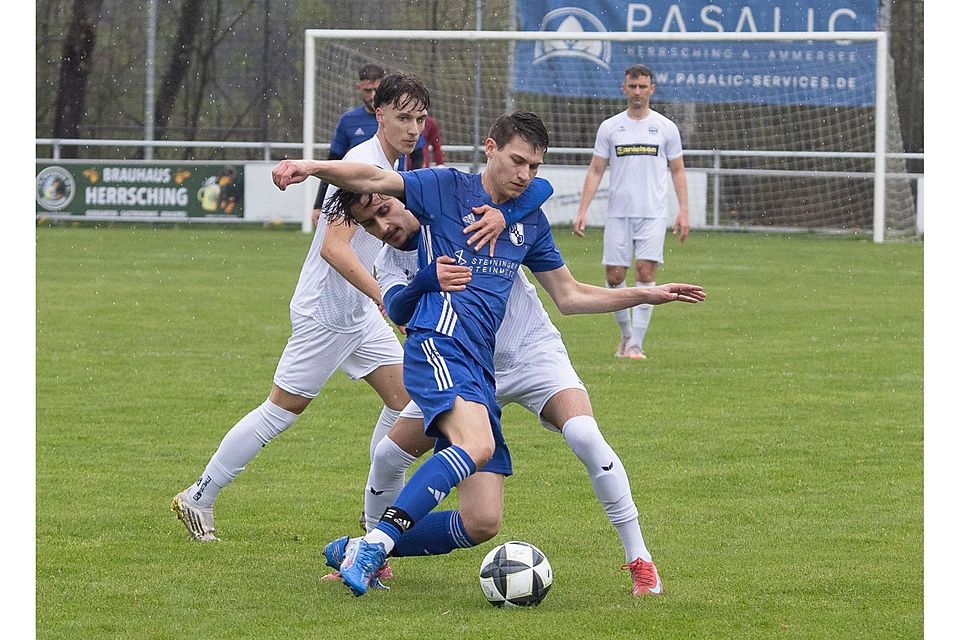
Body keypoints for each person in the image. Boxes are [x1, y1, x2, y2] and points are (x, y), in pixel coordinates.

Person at [272, 111, 705, 597]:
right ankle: (373, 548)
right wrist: (312, 167)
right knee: (391, 451)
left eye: (532, 166)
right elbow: (391, 283)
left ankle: (640, 559)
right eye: (516, 161)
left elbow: (569, 295)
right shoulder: (426, 210)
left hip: (527, 355)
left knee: (549, 464)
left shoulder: (519, 211)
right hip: (457, 358)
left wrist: (644, 293)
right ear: (489, 149)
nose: (524, 174)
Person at [170, 73, 449, 542]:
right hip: (327, 311)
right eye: (403, 118)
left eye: (419, 119)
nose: (412, 128)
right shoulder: (361, 162)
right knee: (282, 410)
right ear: (378, 114)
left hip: (356, 312)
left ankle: (374, 518)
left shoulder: (393, 161)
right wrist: (387, 297)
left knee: (409, 405)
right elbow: (334, 249)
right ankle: (200, 494)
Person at [573, 63, 691, 361]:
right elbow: (596, 169)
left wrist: (684, 211)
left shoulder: (665, 128)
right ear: (623, 88)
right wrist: (582, 209)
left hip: (652, 213)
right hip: (618, 213)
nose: (637, 92)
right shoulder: (611, 127)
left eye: (643, 86)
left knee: (646, 272)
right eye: (633, 86)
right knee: (614, 276)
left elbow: (677, 171)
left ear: (652, 89)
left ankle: (637, 344)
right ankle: (626, 336)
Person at [314, 64, 424, 212]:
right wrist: (318, 204)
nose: (414, 130)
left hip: (394, 192)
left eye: (376, 90)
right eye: (368, 90)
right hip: (361, 194)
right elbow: (334, 159)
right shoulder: (357, 152)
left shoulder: (396, 157)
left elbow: (417, 157)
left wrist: (411, 192)